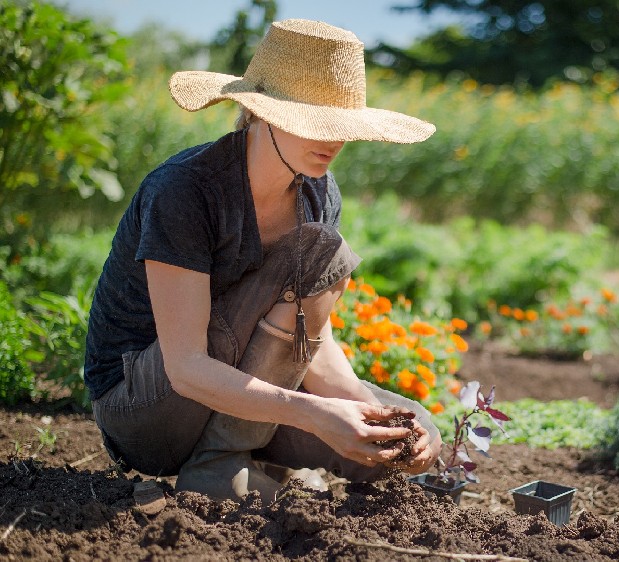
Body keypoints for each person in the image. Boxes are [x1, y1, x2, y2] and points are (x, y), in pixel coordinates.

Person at [83, 19, 442, 503]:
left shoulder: (317, 191)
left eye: (342, 126)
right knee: (319, 250)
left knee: (404, 430)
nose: (333, 141)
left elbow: (308, 339)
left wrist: (369, 411)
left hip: (236, 401)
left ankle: (235, 459)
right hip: (147, 409)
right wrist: (313, 413)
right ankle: (218, 466)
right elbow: (186, 367)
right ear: (262, 114)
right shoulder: (187, 190)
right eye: (315, 123)